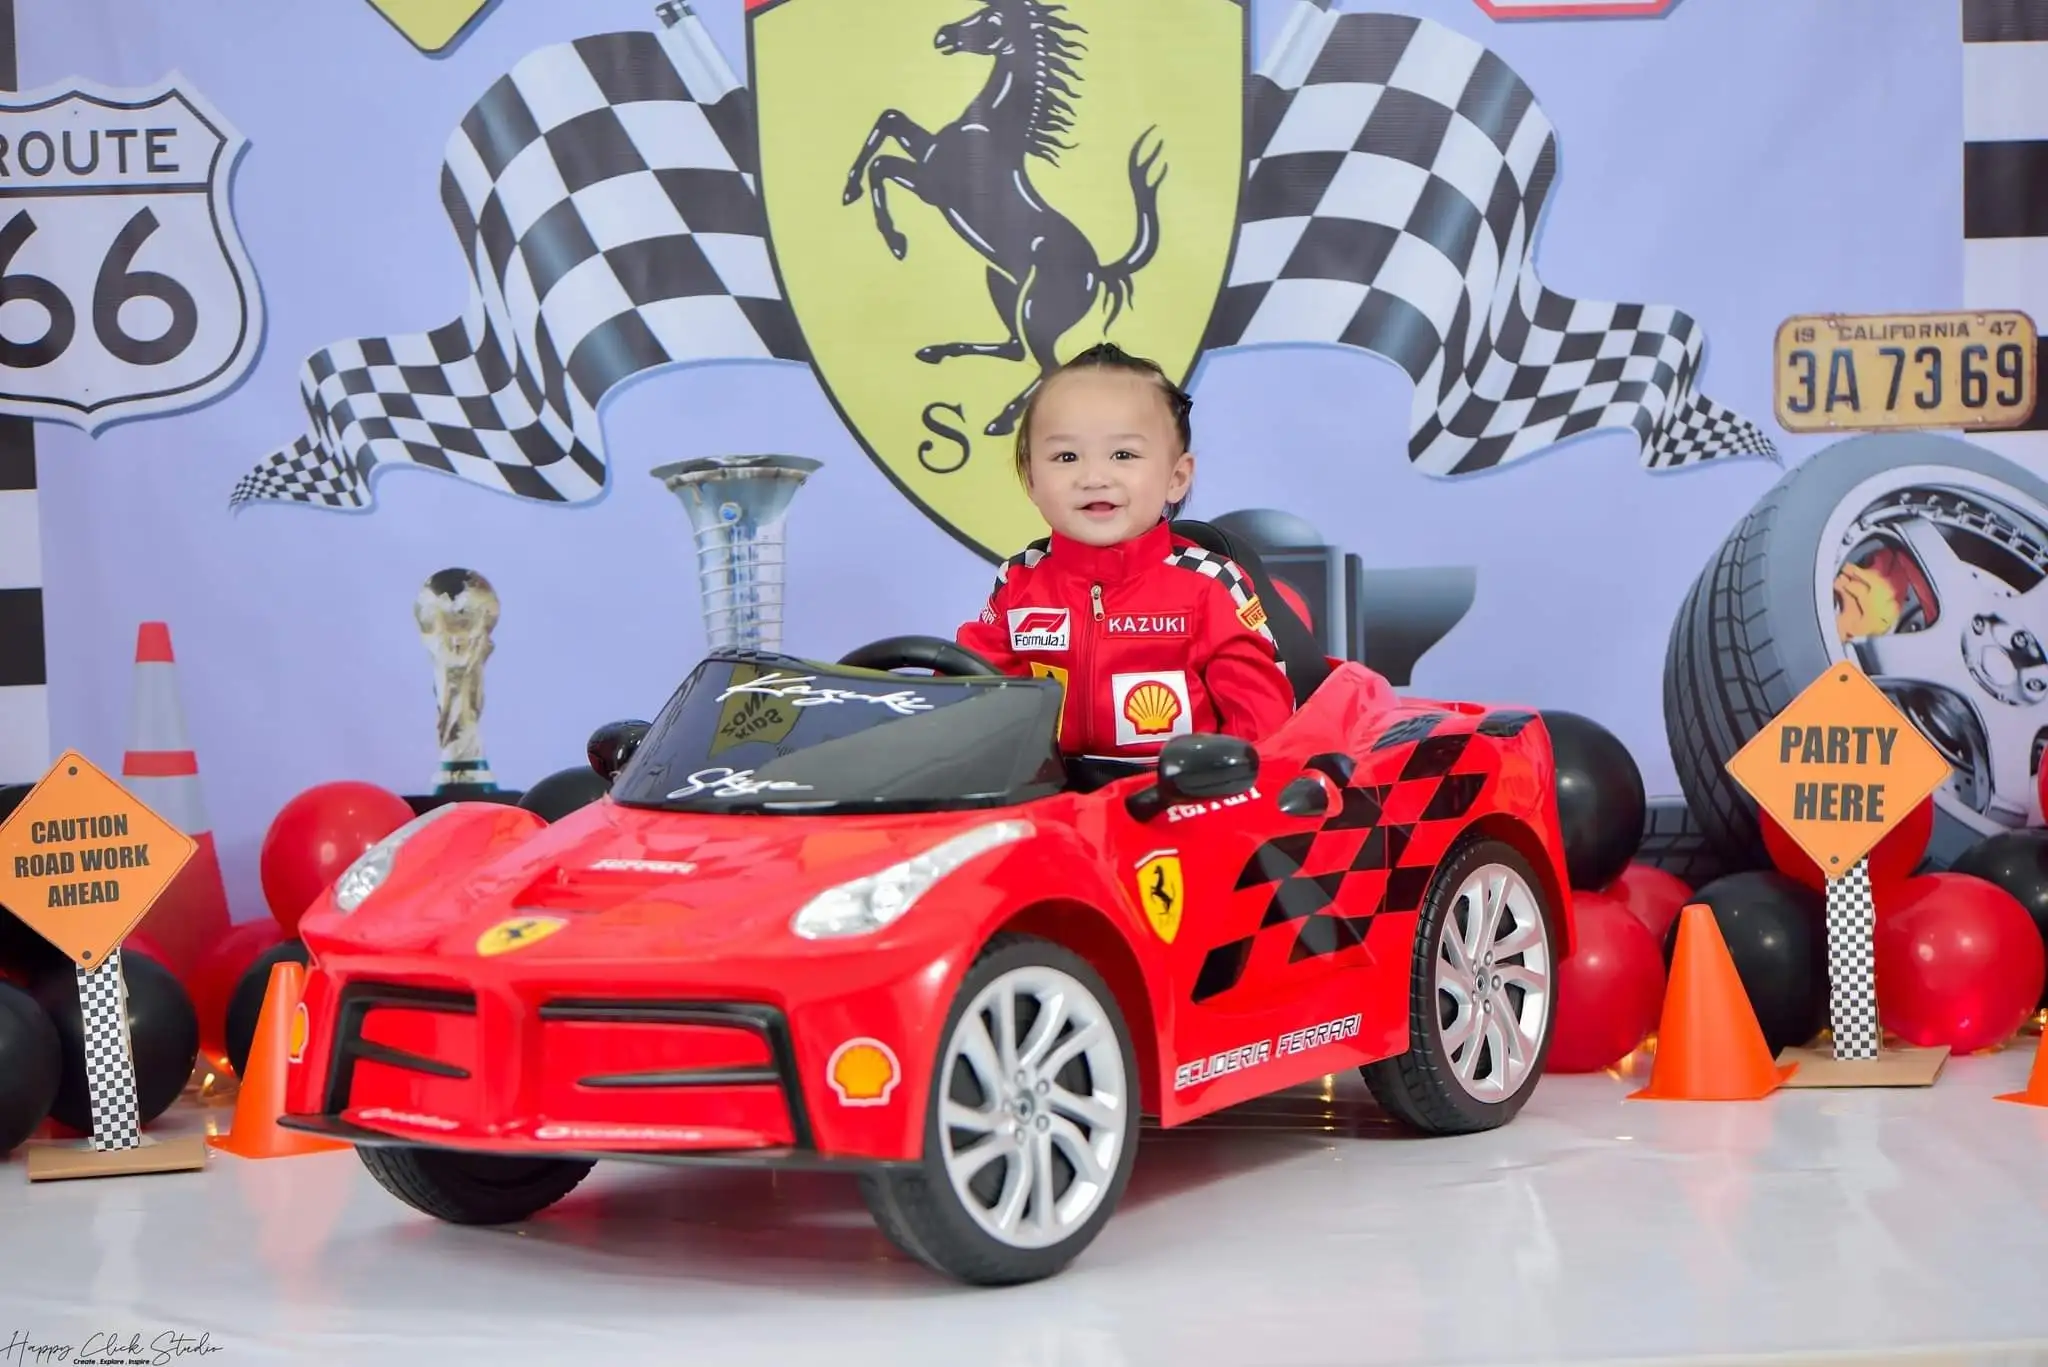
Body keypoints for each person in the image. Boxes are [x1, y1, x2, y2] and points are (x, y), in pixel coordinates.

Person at [956, 343, 1294, 758]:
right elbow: (968, 706)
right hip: (1050, 794)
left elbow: (1265, 737)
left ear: (1176, 477)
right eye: (1066, 456)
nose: (1094, 477)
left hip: (1176, 794)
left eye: (1123, 454)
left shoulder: (1210, 587)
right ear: (1031, 479)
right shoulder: (1019, 581)